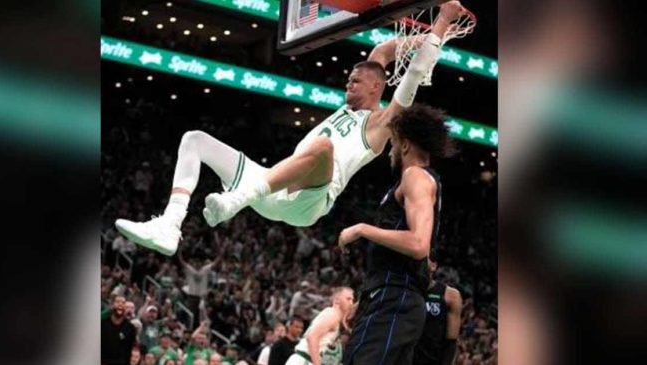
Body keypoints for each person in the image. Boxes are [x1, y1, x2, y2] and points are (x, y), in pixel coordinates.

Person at [113, 1, 468, 257]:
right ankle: (170, 225)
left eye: (355, 80)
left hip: (310, 200)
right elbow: (382, 49)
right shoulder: (354, 100)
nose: (349, 82)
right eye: (349, 78)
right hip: (273, 187)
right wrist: (419, 38)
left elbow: (414, 75)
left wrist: (442, 22)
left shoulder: (380, 123)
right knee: (194, 140)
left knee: (325, 147)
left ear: (376, 88)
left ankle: (237, 199)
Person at [337, 100, 457, 365]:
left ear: (405, 144)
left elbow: (418, 244)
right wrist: (367, 297)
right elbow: (419, 262)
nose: (391, 150)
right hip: (391, 299)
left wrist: (362, 228)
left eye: (393, 143)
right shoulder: (420, 182)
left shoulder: (415, 176)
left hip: (394, 301)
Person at [412, 253, 463, 365]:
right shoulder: (404, 292)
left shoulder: (450, 296)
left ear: (434, 266)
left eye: (423, 260)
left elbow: (451, 342)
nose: (419, 264)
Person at [285, 287, 355, 365]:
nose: (351, 303)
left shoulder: (334, 315)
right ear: (337, 300)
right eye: (348, 299)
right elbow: (312, 337)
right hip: (304, 360)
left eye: (352, 300)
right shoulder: (333, 315)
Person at [102, 295, 137, 365]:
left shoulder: (131, 328)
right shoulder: (102, 324)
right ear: (112, 305)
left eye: (123, 303)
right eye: (117, 302)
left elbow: (130, 350)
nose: (120, 304)